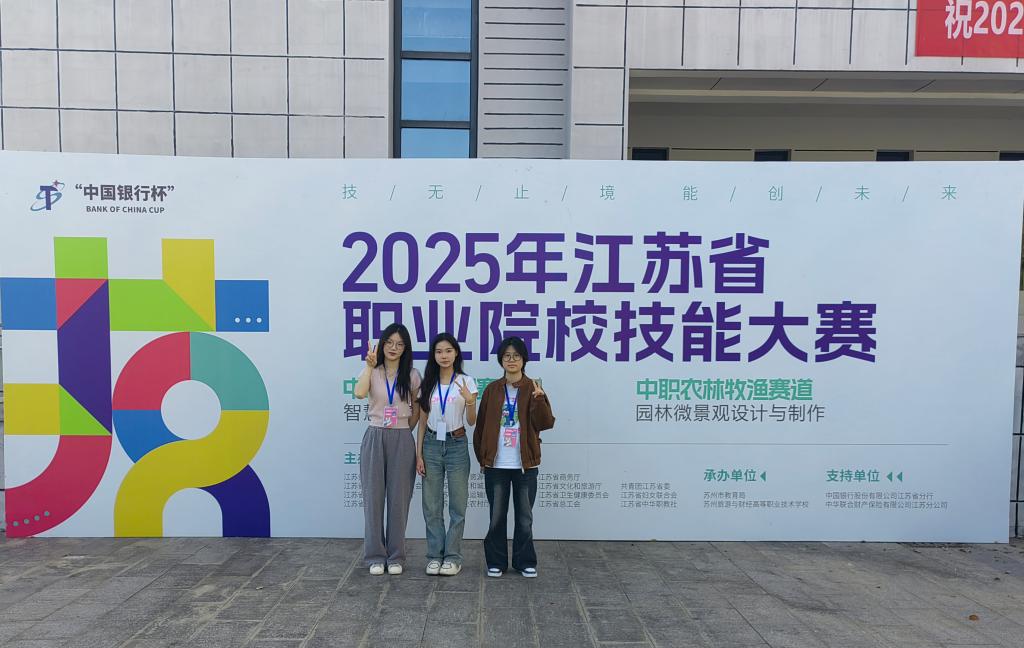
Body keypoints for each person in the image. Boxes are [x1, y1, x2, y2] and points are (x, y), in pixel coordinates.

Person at [473, 336, 555, 578]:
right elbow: (480, 428)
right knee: (497, 516)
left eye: (516, 356)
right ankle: (496, 562)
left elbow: (545, 423)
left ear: (523, 360)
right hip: (496, 465)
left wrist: (539, 400)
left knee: (525, 517)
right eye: (507, 356)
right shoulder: (492, 390)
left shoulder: (533, 388)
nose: (511, 360)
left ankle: (524, 561)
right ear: (501, 360)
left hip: (525, 465)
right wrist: (483, 458)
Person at [353, 323, 420, 575]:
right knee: (373, 499)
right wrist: (369, 366)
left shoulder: (412, 375)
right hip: (375, 435)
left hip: (402, 437)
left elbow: (417, 409)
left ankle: (395, 556)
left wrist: (404, 430)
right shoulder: (373, 371)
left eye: (399, 344)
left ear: (406, 348)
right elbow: (359, 393)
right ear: (382, 345)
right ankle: (375, 556)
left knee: (399, 500)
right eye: (389, 342)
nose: (394, 348)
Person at [416, 333, 478, 576]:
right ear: (433, 355)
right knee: (431, 505)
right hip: (431, 445)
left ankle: (452, 557)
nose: (444, 356)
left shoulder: (466, 381)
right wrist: (419, 454)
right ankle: (434, 556)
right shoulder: (428, 383)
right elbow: (422, 421)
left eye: (448, 351)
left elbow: (472, 421)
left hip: (457, 444)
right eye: (439, 351)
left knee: (457, 505)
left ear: (456, 353)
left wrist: (470, 401)